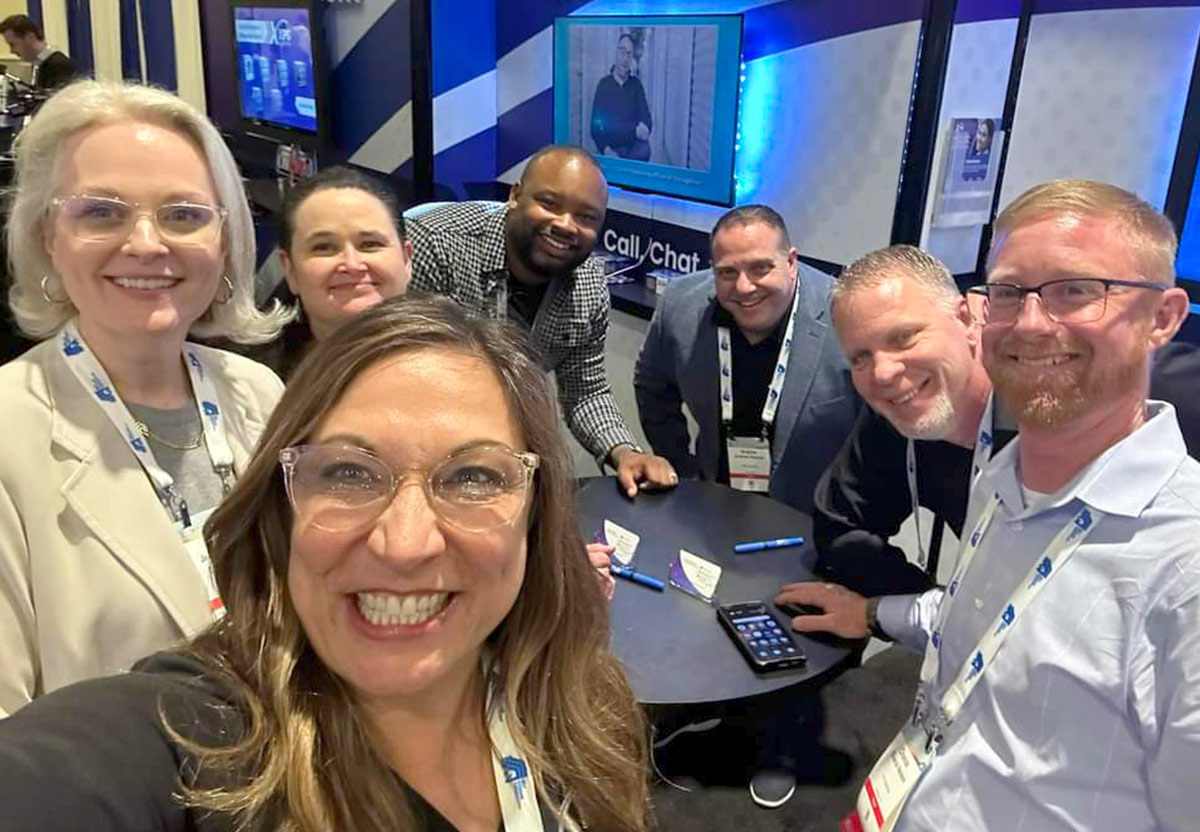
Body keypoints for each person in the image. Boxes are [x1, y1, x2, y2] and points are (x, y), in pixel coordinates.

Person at [0, 295, 651, 832]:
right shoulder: (191, 736)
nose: (406, 544)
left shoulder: (579, 704)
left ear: (536, 514)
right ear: (281, 509)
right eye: (347, 472)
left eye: (474, 477)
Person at [781, 180, 1200, 832]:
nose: (1032, 323)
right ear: (985, 310)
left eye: (1076, 290)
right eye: (1010, 292)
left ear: (1163, 318)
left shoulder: (1183, 566)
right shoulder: (1006, 483)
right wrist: (869, 613)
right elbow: (984, 621)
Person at [0, 81, 291, 716]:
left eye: (183, 214)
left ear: (225, 238)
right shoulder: (8, 431)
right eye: (101, 212)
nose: (146, 244)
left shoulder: (258, 393)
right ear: (49, 233)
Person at [813, 244, 1200, 599]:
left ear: (966, 318)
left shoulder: (1140, 385)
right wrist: (935, 610)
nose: (882, 373)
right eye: (860, 357)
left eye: (904, 338)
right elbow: (841, 526)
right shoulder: (902, 403)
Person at [405, 144, 676, 498]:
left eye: (586, 217)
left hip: (500, 454)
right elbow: (393, 374)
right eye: (549, 203)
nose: (565, 225)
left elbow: (585, 391)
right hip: (413, 445)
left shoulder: (589, 290)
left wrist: (625, 451)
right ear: (515, 196)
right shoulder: (435, 245)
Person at [634, 204, 860, 513]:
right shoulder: (680, 304)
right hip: (713, 506)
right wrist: (679, 469)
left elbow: (879, 428)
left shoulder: (848, 319)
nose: (744, 287)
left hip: (814, 519)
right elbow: (651, 383)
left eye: (760, 268)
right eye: (727, 272)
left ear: (791, 262)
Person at [261, 165, 413, 379]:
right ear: (290, 269)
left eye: (370, 244)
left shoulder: (461, 365)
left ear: (407, 259)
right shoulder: (251, 386)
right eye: (323, 247)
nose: (352, 264)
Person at [590, 33, 652, 161]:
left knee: (645, 151)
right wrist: (606, 149)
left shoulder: (636, 85)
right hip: (611, 149)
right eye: (622, 51)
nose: (625, 57)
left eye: (629, 53)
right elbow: (596, 127)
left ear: (632, 59)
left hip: (634, 149)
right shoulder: (604, 85)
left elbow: (647, 123)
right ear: (616, 54)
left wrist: (615, 129)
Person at [0, 15, 75, 91]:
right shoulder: (38, 64)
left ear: (30, 37)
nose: (12, 51)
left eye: (13, 44)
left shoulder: (59, 66)